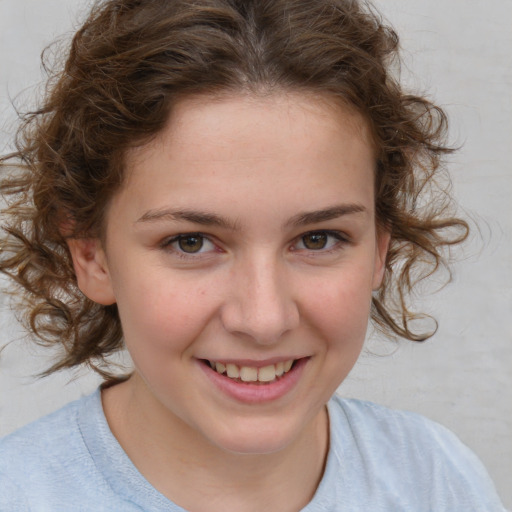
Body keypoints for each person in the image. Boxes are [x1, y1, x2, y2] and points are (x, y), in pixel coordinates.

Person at [0, 0, 506, 510]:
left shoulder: (438, 481)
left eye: (318, 239)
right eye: (190, 242)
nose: (264, 320)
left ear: (379, 248)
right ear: (92, 257)